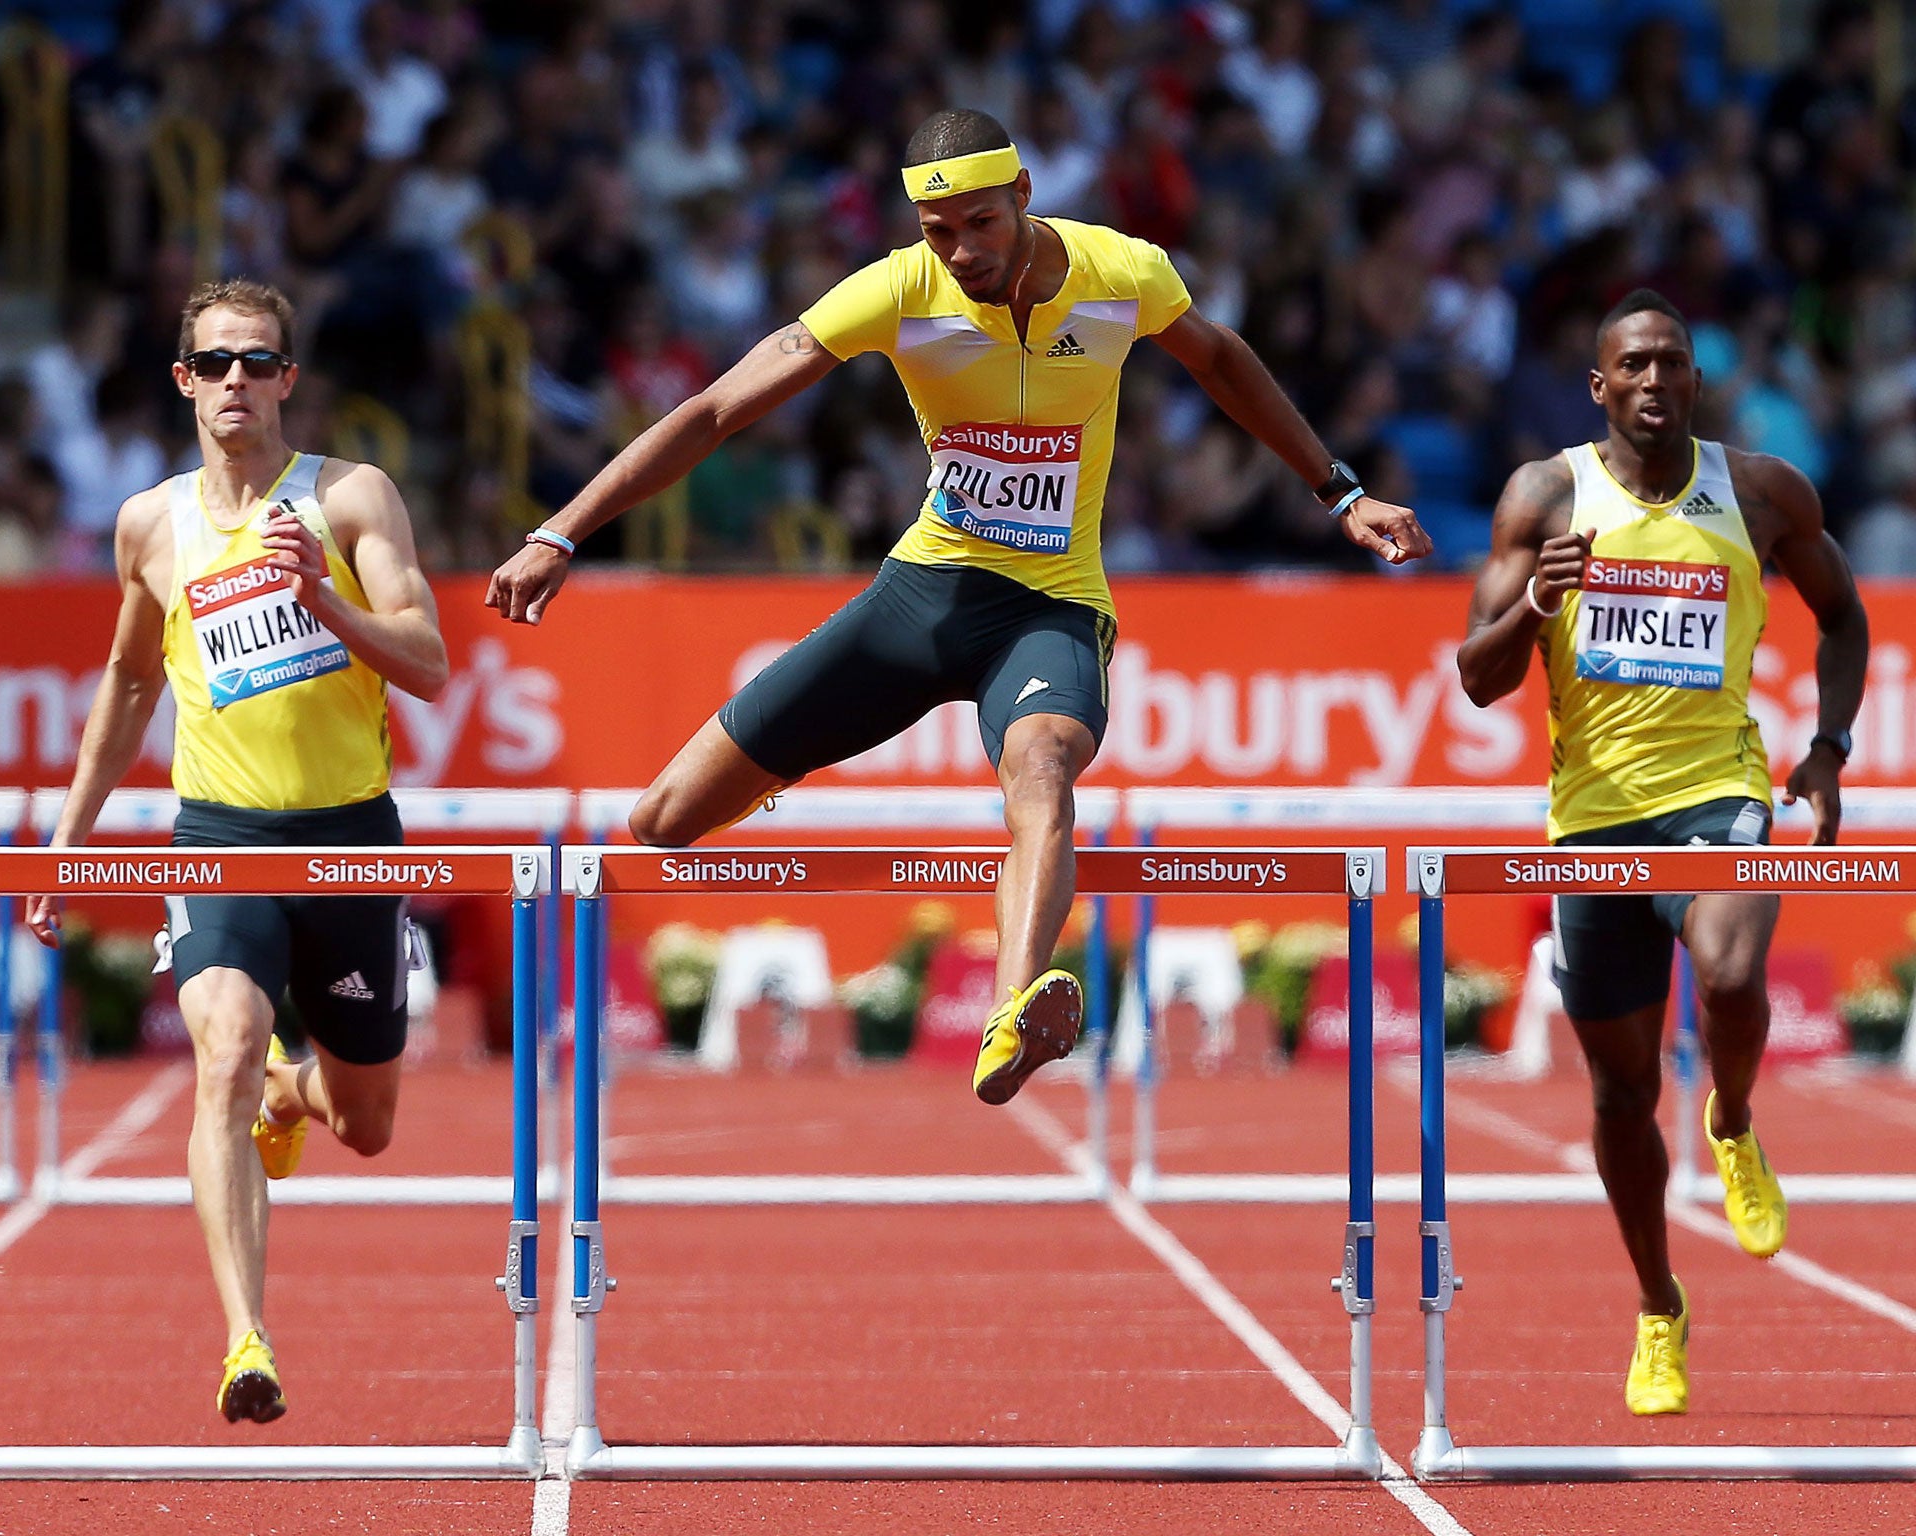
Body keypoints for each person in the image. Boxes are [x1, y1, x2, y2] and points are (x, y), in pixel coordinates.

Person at [488, 107, 1429, 1107]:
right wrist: (562, 532)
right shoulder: (897, 291)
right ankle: (784, 760)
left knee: (1042, 765)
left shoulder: (1122, 273)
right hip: (922, 595)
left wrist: (1340, 490)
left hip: (1049, 605)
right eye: (937, 232)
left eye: (978, 224)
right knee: (662, 820)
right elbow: (717, 408)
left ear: (1022, 197)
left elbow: (1222, 362)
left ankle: (1013, 1010)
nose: (959, 251)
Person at [28, 278, 449, 1425]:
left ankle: (294, 1092)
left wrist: (330, 606)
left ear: (287, 380)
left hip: (351, 837)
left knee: (365, 1127)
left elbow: (427, 661)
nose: (234, 383)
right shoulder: (151, 524)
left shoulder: (352, 496)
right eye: (213, 363)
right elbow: (125, 682)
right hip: (218, 836)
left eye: (255, 362)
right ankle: (246, 1340)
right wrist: (68, 842)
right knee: (219, 1047)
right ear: (183, 381)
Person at [1457, 289, 1869, 1417]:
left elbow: (1841, 614)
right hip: (1590, 818)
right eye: (1630, 365)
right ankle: (1656, 1305)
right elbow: (1475, 677)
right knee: (1617, 1093)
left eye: (1670, 363)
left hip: (1719, 795)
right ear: (1598, 386)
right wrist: (1527, 610)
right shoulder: (1544, 496)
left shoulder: (1760, 492)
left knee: (1733, 975)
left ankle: (1731, 1120)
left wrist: (1826, 748)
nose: (1651, 381)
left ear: (1694, 380)